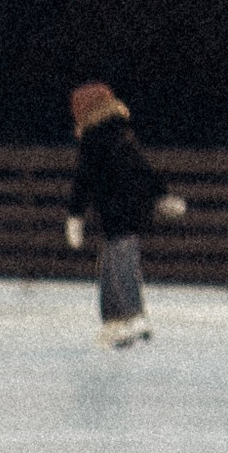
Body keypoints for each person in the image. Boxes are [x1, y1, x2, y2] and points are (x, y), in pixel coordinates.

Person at [66, 82, 187, 345]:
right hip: (130, 208)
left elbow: (82, 178)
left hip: (118, 210)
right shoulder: (121, 133)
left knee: (121, 262)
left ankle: (133, 316)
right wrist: (161, 195)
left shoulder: (95, 137)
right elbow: (143, 168)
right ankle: (114, 321)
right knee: (111, 262)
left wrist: (75, 215)